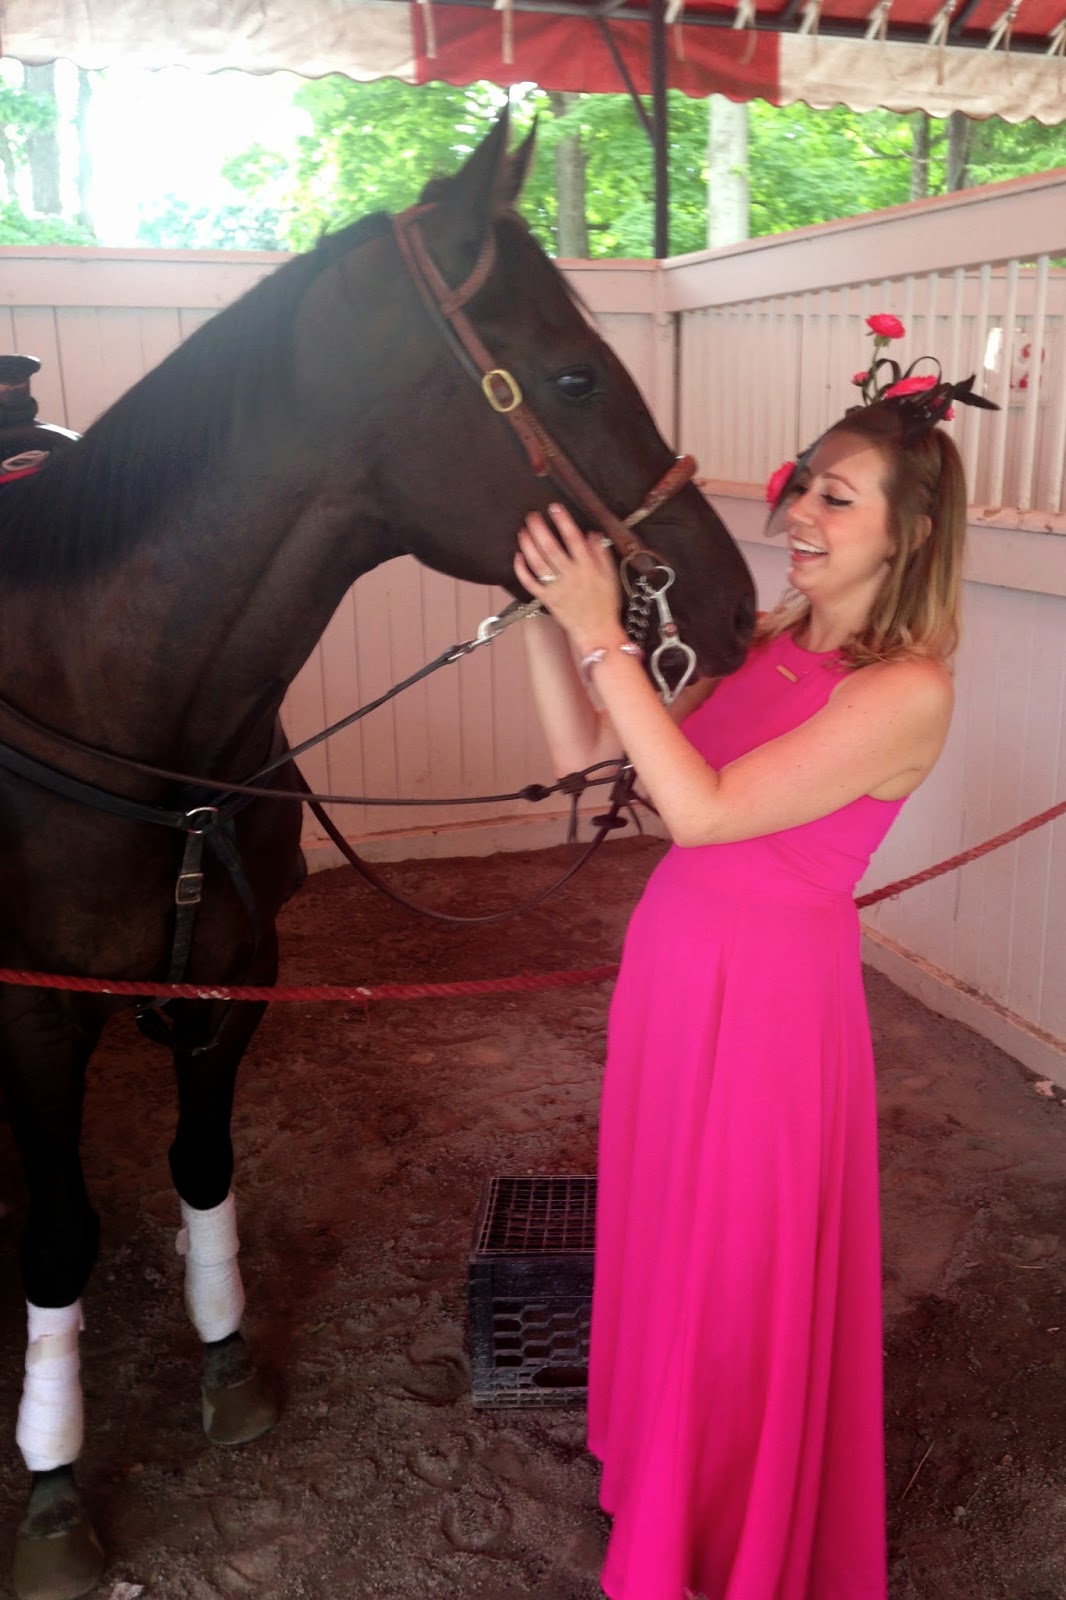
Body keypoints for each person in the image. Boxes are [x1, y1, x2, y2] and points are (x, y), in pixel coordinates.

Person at [513, 350, 994, 1600]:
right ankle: (661, 1483)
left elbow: (709, 811)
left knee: (737, 1270)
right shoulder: (772, 638)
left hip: (770, 1009)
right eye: (804, 486)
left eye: (837, 498)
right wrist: (540, 619)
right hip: (675, 981)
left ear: (911, 531)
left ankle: (721, 1540)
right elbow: (586, 755)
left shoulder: (907, 689)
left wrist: (605, 634)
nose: (797, 514)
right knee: (668, 1240)